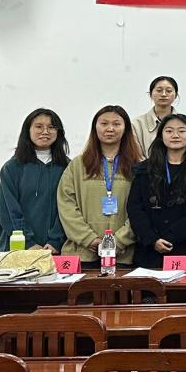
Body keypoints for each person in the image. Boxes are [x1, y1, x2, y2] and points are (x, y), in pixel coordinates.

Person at [126, 114, 186, 269]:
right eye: (169, 131)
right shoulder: (145, 170)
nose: (175, 135)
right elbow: (135, 208)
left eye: (181, 131)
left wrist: (171, 236)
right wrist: (152, 239)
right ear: (161, 136)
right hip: (149, 251)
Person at [57, 105, 141, 267]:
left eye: (116, 124)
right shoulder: (78, 164)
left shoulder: (138, 166)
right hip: (82, 254)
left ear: (126, 129)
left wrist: (119, 240)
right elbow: (66, 204)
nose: (110, 129)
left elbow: (142, 209)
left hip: (124, 255)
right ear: (95, 128)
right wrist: (89, 238)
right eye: (104, 123)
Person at [0, 108, 69, 252]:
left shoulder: (68, 167)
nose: (45, 131)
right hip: (17, 247)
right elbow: (7, 211)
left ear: (58, 132)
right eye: (39, 127)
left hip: (55, 248)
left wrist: (56, 241)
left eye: (51, 127)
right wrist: (27, 242)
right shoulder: (12, 168)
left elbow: (69, 208)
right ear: (27, 130)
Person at [133, 76, 178, 158]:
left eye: (168, 91)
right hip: (146, 166)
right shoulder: (136, 124)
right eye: (159, 90)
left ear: (175, 95)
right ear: (150, 94)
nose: (164, 94)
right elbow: (136, 155)